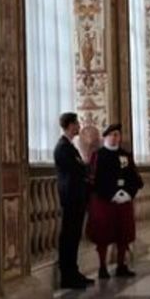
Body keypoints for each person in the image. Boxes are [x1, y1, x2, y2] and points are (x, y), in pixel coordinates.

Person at [86, 123, 143, 279]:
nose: (114, 138)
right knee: (103, 234)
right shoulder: (98, 155)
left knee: (123, 233)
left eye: (117, 135)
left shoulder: (125, 155)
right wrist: (112, 194)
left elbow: (134, 177)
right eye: (111, 135)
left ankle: (121, 265)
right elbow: (94, 180)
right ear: (105, 137)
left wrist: (128, 193)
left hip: (124, 200)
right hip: (104, 201)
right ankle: (102, 267)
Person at [54, 111, 94, 289]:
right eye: (77, 123)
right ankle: (67, 276)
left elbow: (81, 168)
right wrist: (85, 170)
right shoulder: (63, 147)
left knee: (75, 236)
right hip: (70, 198)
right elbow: (77, 170)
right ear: (70, 125)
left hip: (77, 198)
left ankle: (74, 271)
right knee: (69, 237)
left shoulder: (70, 146)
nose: (79, 126)